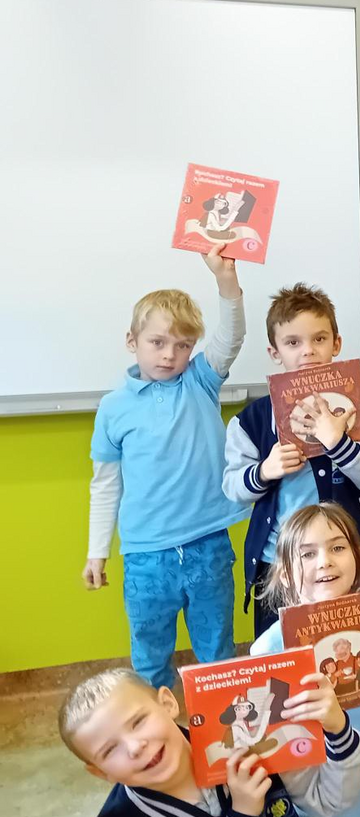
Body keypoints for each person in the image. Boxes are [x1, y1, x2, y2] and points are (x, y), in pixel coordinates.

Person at [85, 244, 247, 690]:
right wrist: (97, 551)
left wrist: (225, 278)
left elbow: (232, 335)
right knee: (150, 659)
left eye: (182, 345)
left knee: (217, 655)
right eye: (157, 342)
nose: (169, 355)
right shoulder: (113, 408)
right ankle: (159, 729)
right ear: (132, 342)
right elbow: (105, 485)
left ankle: (224, 728)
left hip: (208, 545)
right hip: (145, 556)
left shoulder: (200, 380)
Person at [223, 284, 360, 638]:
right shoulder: (252, 420)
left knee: (354, 643)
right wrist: (264, 471)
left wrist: (340, 444)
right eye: (293, 342)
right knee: (283, 654)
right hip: (280, 567)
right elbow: (232, 487)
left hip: (348, 563)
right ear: (275, 352)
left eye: (319, 339)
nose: (308, 351)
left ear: (336, 343)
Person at [252, 503, 360, 817]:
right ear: (285, 572)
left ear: (357, 557)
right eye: (307, 554)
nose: (325, 561)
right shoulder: (268, 649)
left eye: (338, 548)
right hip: (306, 813)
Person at [63, 666, 360, 817]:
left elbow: (332, 804)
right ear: (100, 772)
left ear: (167, 703)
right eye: (110, 749)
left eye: (138, 721)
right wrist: (242, 815)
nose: (135, 746)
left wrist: (338, 730)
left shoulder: (247, 743)